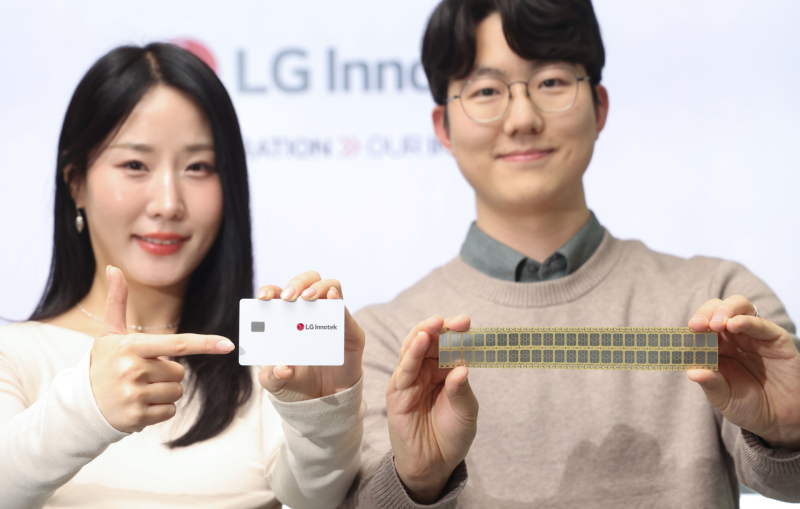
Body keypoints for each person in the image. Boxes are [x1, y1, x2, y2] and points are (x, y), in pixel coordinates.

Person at [346, 0, 800, 507]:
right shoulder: (388, 342)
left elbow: (790, 480)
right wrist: (417, 479)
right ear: (444, 127)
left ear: (599, 106)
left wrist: (788, 431)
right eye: (486, 91)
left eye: (552, 82)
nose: (522, 118)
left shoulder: (720, 305)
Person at [0, 43, 368, 509]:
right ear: (76, 183)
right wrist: (87, 408)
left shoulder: (263, 360)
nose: (168, 204)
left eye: (198, 167)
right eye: (135, 165)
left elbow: (318, 496)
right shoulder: (15, 355)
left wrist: (324, 412)